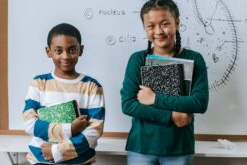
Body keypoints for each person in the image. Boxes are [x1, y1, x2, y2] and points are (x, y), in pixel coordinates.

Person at [120, 0, 209, 165]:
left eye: (165, 24)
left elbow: (199, 102)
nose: (158, 31)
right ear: (144, 28)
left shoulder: (194, 59)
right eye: (151, 26)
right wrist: (170, 116)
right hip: (141, 148)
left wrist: (155, 99)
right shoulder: (138, 59)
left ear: (177, 23)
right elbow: (128, 104)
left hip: (179, 148)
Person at [22, 23, 105, 165]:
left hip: (79, 161)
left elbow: (94, 131)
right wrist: (69, 129)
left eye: (72, 50)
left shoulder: (92, 86)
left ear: (81, 50)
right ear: (48, 51)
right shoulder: (39, 83)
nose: (65, 56)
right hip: (41, 160)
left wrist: (57, 151)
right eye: (58, 51)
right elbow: (29, 123)